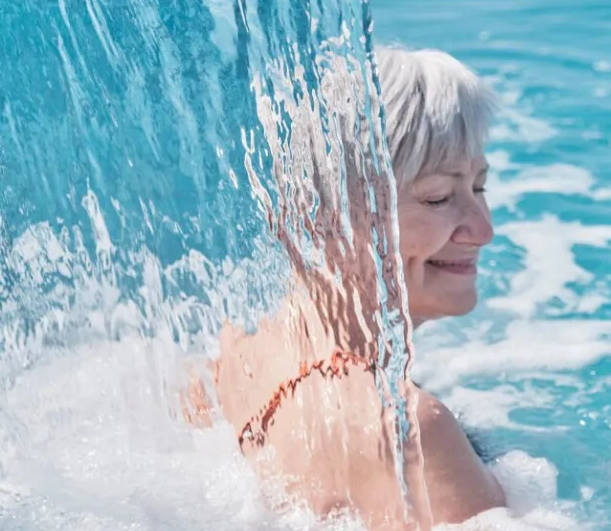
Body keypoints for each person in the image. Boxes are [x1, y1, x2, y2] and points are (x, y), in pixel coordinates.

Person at [185, 46, 505, 529]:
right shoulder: (408, 434)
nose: (482, 230)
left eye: (478, 188)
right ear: (327, 218)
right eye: (439, 197)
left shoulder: (223, 369)